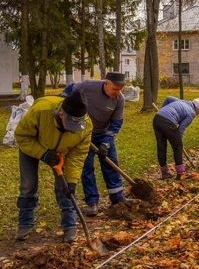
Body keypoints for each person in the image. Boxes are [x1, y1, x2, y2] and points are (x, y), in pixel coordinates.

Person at [14, 89, 93, 243]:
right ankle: (24, 222)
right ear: (61, 114)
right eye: (70, 124)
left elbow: (78, 155)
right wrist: (43, 153)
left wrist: (72, 181)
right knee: (28, 185)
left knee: (65, 190)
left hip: (62, 152)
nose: (73, 128)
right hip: (32, 145)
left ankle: (69, 225)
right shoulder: (41, 110)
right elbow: (22, 136)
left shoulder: (86, 126)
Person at [67, 72, 127, 217]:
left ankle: (117, 197)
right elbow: (69, 91)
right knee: (86, 166)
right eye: (115, 89)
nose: (118, 92)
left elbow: (116, 124)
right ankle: (92, 201)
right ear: (106, 83)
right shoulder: (87, 86)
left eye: (121, 89)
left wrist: (106, 143)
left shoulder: (119, 99)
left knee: (111, 163)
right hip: (83, 133)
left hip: (103, 133)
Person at [153, 96, 199, 180]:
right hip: (168, 122)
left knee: (161, 147)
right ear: (198, 109)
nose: (197, 114)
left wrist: (162, 110)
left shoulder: (183, 101)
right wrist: (178, 141)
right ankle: (181, 173)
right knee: (177, 147)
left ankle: (165, 173)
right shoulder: (191, 113)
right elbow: (181, 128)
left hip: (157, 118)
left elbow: (168, 98)